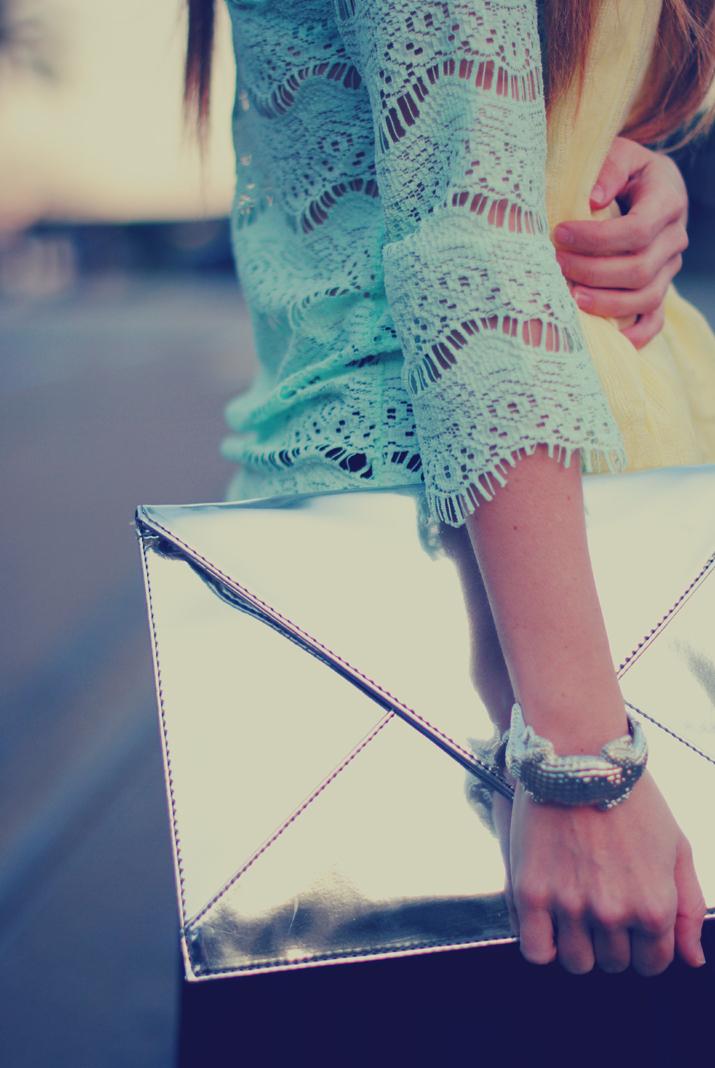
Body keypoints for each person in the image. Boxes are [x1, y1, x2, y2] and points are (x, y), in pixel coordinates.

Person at [177, 0, 715, 1062]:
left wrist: (621, 161)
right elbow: (463, 257)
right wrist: (579, 762)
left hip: (590, 533)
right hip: (514, 603)